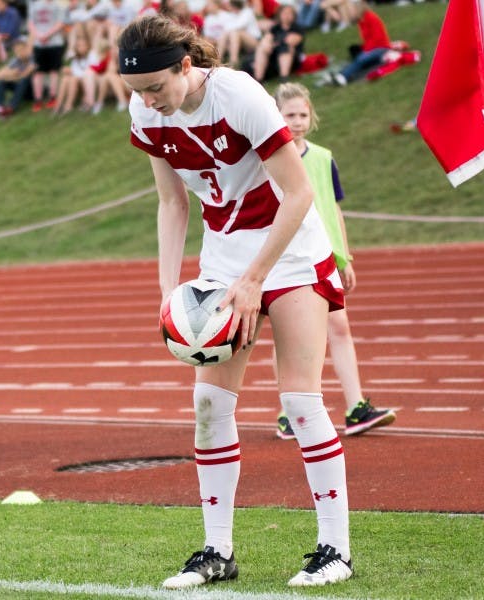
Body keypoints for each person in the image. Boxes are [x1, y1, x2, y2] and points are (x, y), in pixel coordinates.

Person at [118, 14, 352, 590]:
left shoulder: (240, 95)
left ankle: (335, 550)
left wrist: (255, 280)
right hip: (223, 260)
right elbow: (172, 203)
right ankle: (216, 551)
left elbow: (299, 193)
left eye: (156, 87)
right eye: (137, 92)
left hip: (290, 253)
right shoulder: (146, 112)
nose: (148, 101)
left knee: (300, 401)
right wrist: (168, 291)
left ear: (185, 66)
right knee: (208, 405)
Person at [273, 82, 396, 439]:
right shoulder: (269, 158)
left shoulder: (324, 157)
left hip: (323, 255)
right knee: (289, 337)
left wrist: (345, 256)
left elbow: (333, 209)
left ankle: (356, 408)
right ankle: (289, 412)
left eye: (302, 114)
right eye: (289, 115)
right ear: (276, 117)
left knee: (340, 328)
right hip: (286, 257)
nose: (297, 121)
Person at [250, 3, 303, 83]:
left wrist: (274, 44)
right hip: (274, 58)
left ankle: (284, 79)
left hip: (292, 60)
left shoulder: (296, 28)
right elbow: (266, 39)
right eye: (284, 13)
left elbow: (291, 40)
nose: (287, 16)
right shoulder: (275, 28)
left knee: (284, 47)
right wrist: (267, 45)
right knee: (262, 48)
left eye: (289, 13)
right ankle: (258, 80)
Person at [0, 37, 35, 117]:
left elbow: (27, 73)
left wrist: (12, 74)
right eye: (16, 51)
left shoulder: (33, 57)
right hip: (23, 90)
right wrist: (12, 73)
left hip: (35, 91)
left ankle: (11, 107)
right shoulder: (17, 60)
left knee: (25, 79)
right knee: (2, 81)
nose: (19, 53)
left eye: (21, 50)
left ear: (27, 48)